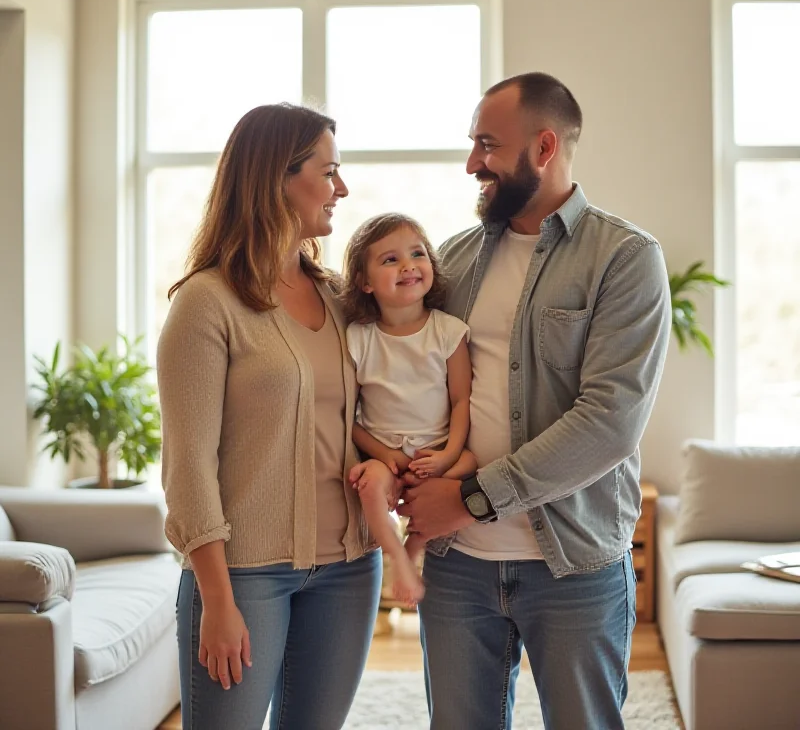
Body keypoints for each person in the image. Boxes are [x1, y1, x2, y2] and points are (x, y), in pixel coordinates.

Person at [397, 72, 672, 730]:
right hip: (458, 567)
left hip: (574, 565)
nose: (472, 164)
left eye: (487, 145)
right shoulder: (452, 262)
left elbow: (610, 423)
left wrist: (470, 497)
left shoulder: (625, 259)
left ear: (544, 147)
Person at [157, 104, 381, 730]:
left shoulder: (340, 295)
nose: (342, 189)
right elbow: (188, 467)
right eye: (328, 172)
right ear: (276, 179)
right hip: (245, 575)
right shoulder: (207, 303)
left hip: (349, 567)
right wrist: (217, 600)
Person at [339, 213, 476, 606]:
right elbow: (347, 417)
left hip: (437, 450)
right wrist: (384, 455)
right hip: (385, 452)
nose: (408, 265)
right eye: (390, 260)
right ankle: (396, 557)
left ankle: (416, 544)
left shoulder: (448, 331)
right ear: (365, 283)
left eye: (417, 254)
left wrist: (448, 454)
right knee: (367, 482)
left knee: (471, 465)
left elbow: (461, 400)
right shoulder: (359, 339)